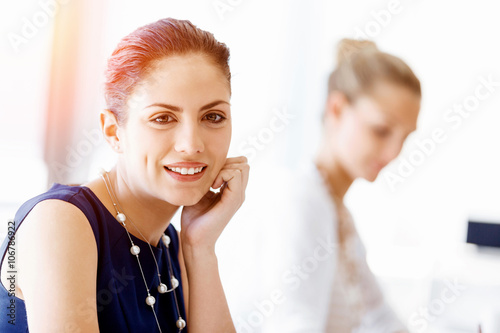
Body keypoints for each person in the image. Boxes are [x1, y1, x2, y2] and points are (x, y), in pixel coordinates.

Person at [0, 18, 248, 332]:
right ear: (113, 130)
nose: (192, 145)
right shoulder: (60, 220)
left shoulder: (173, 244)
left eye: (213, 116)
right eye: (163, 118)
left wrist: (201, 248)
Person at [256, 39, 421, 332]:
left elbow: (381, 317)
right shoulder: (302, 201)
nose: (394, 152)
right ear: (336, 109)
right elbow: (295, 323)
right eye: (381, 130)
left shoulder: (340, 215)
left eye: (405, 137)